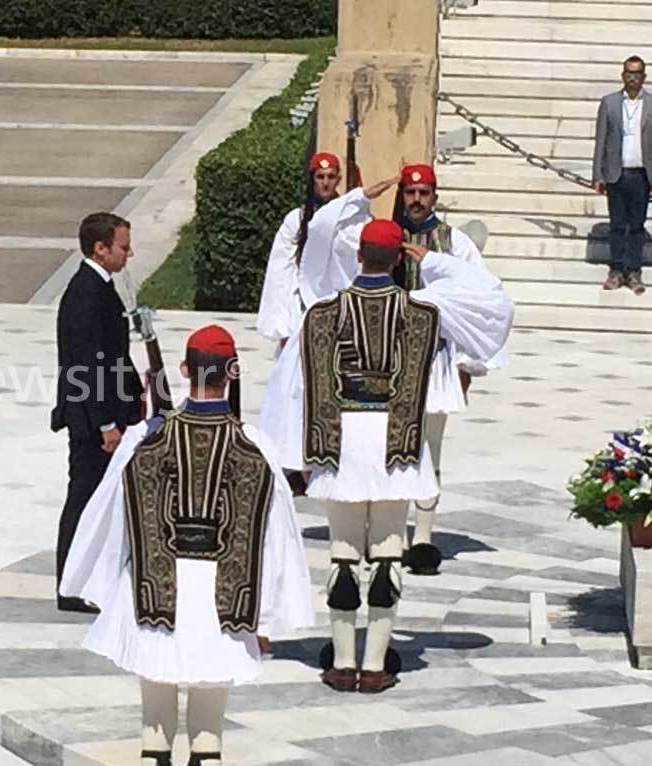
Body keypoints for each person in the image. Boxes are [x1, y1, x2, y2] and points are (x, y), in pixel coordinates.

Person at [260, 220, 512, 693]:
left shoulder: (319, 314)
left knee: (342, 553)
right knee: (387, 554)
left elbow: (290, 388)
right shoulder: (425, 311)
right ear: (397, 259)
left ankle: (340, 659)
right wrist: (434, 260)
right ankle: (374, 663)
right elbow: (492, 298)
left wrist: (292, 454)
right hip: (398, 443)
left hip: (339, 445)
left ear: (359, 257)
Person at [60, 325, 313, 766]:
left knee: (154, 719)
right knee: (209, 726)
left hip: (153, 592)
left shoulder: (144, 439)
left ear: (183, 369)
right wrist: (268, 613)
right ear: (233, 372)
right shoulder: (257, 447)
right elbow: (276, 540)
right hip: (225, 600)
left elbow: (109, 517)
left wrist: (101, 584)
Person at [391, 163, 510, 575]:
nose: (417, 199)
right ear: (402, 194)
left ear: (435, 195)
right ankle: (390, 536)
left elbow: (479, 298)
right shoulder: (386, 238)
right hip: (390, 358)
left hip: (437, 357)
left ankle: (422, 537)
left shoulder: (455, 242)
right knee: (390, 449)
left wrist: (467, 364)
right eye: (410, 192)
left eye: (424, 192)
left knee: (429, 447)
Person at [51, 212, 145, 613]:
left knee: (96, 499)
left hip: (104, 414)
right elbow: (86, 364)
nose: (129, 252)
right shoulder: (85, 293)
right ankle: (70, 587)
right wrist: (106, 422)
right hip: (92, 421)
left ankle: (90, 577)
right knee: (83, 498)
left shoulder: (101, 286)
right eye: (123, 246)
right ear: (100, 248)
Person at [592, 55, 652, 295]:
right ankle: (616, 270)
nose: (632, 78)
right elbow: (601, 140)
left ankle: (634, 271)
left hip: (641, 174)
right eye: (628, 73)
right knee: (617, 225)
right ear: (622, 75)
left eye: (637, 74)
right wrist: (598, 173)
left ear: (644, 77)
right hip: (617, 172)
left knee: (636, 226)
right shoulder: (609, 103)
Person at [257, 152, 348, 348]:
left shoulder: (347, 217)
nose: (325, 183)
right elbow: (281, 272)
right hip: (302, 307)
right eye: (320, 177)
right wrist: (282, 325)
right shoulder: (296, 220)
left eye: (331, 177)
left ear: (338, 179)